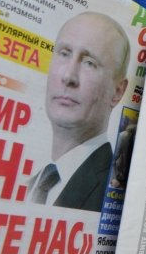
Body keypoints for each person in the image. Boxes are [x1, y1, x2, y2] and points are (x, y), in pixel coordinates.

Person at [27, 12, 130, 212]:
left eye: (89, 63)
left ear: (117, 91)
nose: (68, 76)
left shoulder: (114, 190)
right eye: (64, 54)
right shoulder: (29, 185)